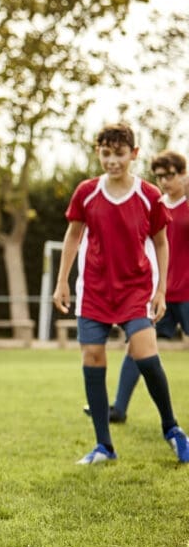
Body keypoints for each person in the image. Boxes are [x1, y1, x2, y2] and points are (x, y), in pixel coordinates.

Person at [53, 123, 189, 465]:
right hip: (94, 291)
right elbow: (72, 236)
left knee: (145, 354)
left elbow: (160, 242)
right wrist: (62, 281)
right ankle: (104, 446)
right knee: (93, 360)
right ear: (98, 153)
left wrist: (160, 289)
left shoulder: (148, 195)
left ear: (134, 154)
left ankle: (172, 429)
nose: (113, 160)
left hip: (135, 289)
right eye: (106, 153)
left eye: (120, 154)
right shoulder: (85, 192)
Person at [82, 150, 189, 423]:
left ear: (184, 175)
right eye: (160, 176)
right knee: (136, 349)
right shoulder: (150, 203)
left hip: (187, 294)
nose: (165, 181)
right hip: (157, 294)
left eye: (171, 175)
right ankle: (118, 408)